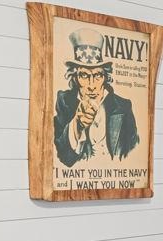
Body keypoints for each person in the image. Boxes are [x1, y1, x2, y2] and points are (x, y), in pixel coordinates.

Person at [53, 33, 139, 165]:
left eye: (98, 75)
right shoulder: (64, 101)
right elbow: (62, 157)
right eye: (84, 75)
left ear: (105, 77)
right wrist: (77, 124)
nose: (92, 85)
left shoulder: (123, 106)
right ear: (75, 78)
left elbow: (133, 151)